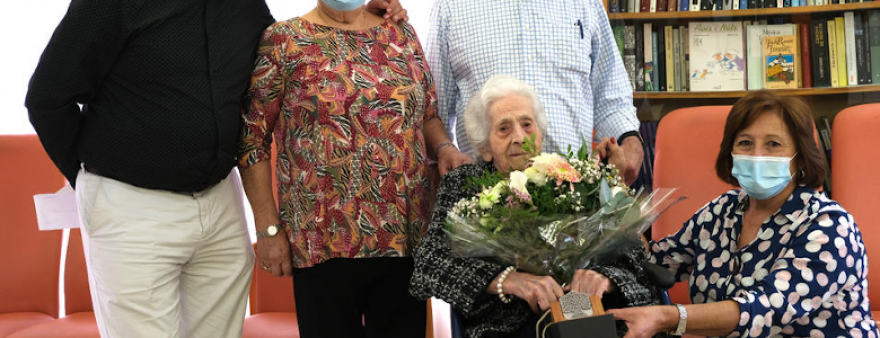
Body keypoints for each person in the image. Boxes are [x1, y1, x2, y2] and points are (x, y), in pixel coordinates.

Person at [24, 0, 406, 337]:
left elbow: (297, 61)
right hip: (130, 207)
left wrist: (362, 17)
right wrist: (91, 180)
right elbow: (48, 98)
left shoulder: (247, 7)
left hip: (220, 205)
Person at [237, 0, 472, 337]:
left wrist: (445, 148)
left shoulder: (400, 32)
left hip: (402, 238)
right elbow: (252, 138)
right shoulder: (284, 40)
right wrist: (267, 229)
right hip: (321, 241)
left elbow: (428, 115)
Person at [590, 91, 879, 338]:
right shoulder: (724, 210)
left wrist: (668, 317)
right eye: (745, 143)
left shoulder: (830, 225)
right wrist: (616, 190)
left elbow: (764, 310)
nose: (756, 155)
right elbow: (653, 260)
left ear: (801, 158)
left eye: (773, 144)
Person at [409, 76, 660, 338]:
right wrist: (507, 280)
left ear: (540, 133)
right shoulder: (465, 184)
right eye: (504, 129)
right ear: (485, 148)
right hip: (508, 326)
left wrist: (604, 278)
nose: (519, 137)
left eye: (527, 124)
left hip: (588, 314)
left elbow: (633, 253)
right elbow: (429, 264)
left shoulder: (575, 176)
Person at [427, 0, 645, 185]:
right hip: (488, 200)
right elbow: (431, 110)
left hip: (575, 193)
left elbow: (611, 96)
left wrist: (630, 140)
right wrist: (444, 151)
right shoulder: (450, 6)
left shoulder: (586, 3)